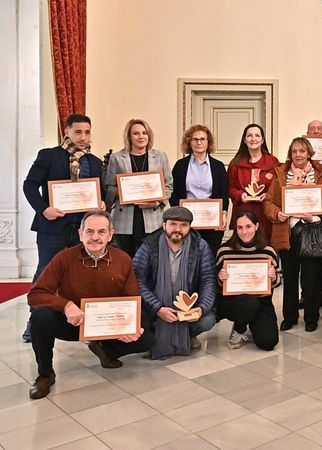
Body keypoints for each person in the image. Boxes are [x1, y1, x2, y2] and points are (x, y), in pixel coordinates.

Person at [27, 210, 152, 399]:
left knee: (146, 335)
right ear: (80, 234)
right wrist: (66, 305)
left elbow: (131, 298)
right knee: (39, 317)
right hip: (74, 323)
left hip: (108, 325)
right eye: (89, 231)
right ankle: (45, 374)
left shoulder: (123, 259)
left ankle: (107, 351)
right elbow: (35, 295)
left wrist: (129, 326)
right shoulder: (64, 258)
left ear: (111, 234)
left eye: (101, 232)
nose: (95, 237)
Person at [22, 113, 104, 342]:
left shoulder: (94, 162)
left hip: (82, 231)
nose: (83, 137)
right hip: (52, 228)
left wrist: (101, 203)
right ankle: (34, 323)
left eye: (87, 132)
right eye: (78, 132)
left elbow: (101, 194)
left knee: (82, 275)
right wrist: (44, 209)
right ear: (66, 131)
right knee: (44, 274)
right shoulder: (49, 156)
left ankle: (79, 322)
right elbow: (29, 185)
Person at [264, 137, 322, 332]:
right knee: (289, 276)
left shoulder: (321, 173)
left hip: (311, 231)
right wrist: (277, 213)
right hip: (286, 230)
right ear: (290, 153)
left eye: (302, 151)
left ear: (309, 153)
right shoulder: (280, 173)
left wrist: (316, 216)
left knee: (311, 277)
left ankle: (311, 317)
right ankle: (289, 317)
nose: (298, 155)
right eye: (294, 151)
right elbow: (269, 202)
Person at [132, 206, 217, 359]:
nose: (178, 229)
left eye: (183, 225)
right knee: (142, 318)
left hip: (187, 306)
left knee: (207, 320)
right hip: (155, 306)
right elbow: (138, 280)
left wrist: (200, 309)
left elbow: (208, 280)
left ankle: (189, 335)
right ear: (164, 225)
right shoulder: (149, 245)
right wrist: (157, 308)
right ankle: (155, 337)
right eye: (173, 224)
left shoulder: (200, 246)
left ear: (190, 227)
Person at [106, 118, 173, 257]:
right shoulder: (117, 158)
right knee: (125, 260)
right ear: (129, 136)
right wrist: (126, 194)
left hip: (152, 217)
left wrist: (156, 202)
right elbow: (109, 187)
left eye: (144, 133)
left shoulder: (160, 156)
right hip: (124, 217)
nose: (141, 136)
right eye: (136, 133)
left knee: (152, 260)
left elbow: (168, 186)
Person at [216, 210, 281, 350]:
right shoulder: (224, 250)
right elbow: (215, 282)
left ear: (256, 226)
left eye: (248, 226)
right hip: (233, 301)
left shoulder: (268, 251)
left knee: (268, 343)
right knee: (248, 303)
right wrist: (220, 278)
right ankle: (239, 328)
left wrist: (274, 276)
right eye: (239, 227)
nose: (244, 231)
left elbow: (279, 280)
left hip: (262, 300)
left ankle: (251, 323)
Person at [170, 125, 229, 255]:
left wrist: (223, 214)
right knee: (187, 258)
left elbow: (224, 193)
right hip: (187, 222)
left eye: (203, 139)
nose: (199, 142)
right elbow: (173, 193)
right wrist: (179, 213)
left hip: (212, 223)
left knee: (209, 259)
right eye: (195, 139)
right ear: (189, 143)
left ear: (208, 142)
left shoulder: (218, 166)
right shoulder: (180, 166)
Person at [227, 123, 280, 239]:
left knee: (265, 250)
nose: (253, 139)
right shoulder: (235, 163)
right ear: (245, 140)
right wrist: (240, 195)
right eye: (249, 136)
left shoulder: (273, 162)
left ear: (262, 140)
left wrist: (269, 195)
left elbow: (279, 187)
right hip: (243, 214)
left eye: (257, 135)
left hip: (265, 213)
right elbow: (230, 188)